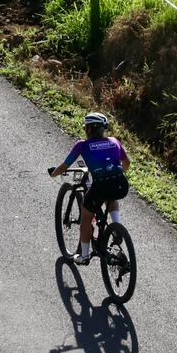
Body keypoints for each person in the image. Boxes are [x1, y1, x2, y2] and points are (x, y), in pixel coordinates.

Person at [49, 112, 130, 265]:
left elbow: (65, 166)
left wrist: (54, 173)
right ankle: (117, 226)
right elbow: (126, 163)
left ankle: (84, 255)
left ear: (89, 129)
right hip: (121, 184)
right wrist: (114, 173)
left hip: (100, 186)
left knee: (86, 216)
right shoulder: (115, 141)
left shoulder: (82, 145)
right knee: (111, 195)